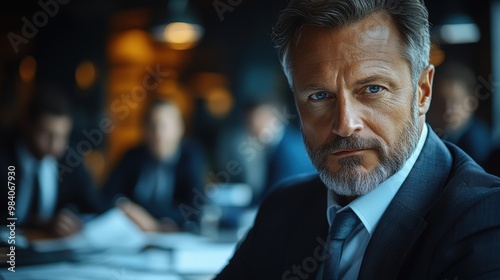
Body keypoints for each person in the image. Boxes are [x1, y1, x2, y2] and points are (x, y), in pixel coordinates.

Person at [215, 0, 500, 279]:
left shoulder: (485, 221)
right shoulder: (282, 210)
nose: (345, 124)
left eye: (372, 89)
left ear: (423, 91)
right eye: (319, 96)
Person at [0, 85, 109, 237]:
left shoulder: (69, 159)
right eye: (46, 134)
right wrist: (38, 224)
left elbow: (94, 206)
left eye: (62, 136)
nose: (54, 145)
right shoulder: (4, 156)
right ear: (27, 125)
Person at [102, 98, 205, 232]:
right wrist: (125, 208)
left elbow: (196, 208)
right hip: (132, 234)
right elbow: (106, 196)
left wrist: (150, 221)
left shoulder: (191, 156)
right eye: (152, 125)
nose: (158, 133)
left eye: (164, 126)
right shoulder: (132, 156)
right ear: (144, 129)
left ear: (180, 128)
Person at [216, 100, 315, 205]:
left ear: (265, 119)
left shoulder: (288, 151)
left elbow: (277, 198)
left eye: (251, 122)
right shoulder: (285, 143)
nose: (249, 130)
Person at [427, 61, 492, 165]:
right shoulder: (438, 135)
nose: (448, 109)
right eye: (440, 101)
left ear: (470, 103)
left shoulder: (476, 144)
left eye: (455, 101)